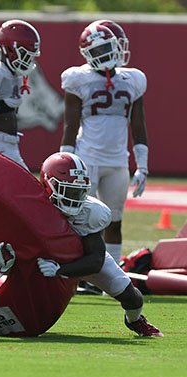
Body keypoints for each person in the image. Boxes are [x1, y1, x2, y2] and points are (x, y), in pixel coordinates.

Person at [31, 152, 162, 337]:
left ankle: (135, 320)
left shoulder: (91, 212)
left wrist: (60, 269)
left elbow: (96, 260)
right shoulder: (32, 207)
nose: (75, 198)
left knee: (132, 298)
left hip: (81, 258)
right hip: (43, 258)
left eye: (79, 191)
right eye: (69, 190)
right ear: (48, 185)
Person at [59, 21, 148, 265]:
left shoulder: (133, 79)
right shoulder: (78, 79)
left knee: (114, 220)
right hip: (87, 160)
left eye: (107, 47)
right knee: (80, 220)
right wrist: (66, 162)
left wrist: (143, 166)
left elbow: (138, 126)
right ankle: (80, 272)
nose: (105, 54)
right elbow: (71, 125)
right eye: (97, 50)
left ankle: (114, 272)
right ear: (87, 55)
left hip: (118, 161)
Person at [0, 19, 40, 263]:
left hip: (7, 144)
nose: (29, 59)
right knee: (24, 199)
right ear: (8, 48)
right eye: (25, 52)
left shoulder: (11, 73)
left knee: (3, 207)